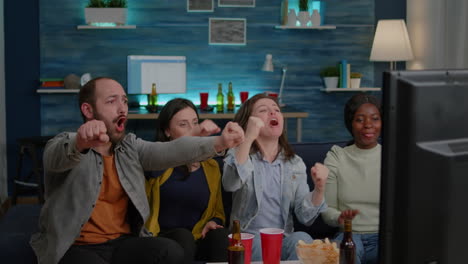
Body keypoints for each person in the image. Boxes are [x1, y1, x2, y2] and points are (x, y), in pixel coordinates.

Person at [30, 77, 244, 264]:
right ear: (88, 110)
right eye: (111, 101)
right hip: (76, 246)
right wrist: (81, 142)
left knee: (171, 252)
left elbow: (171, 150)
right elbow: (54, 157)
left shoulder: (129, 147)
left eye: (124, 100)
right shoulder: (66, 143)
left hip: (122, 243)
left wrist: (219, 142)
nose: (122, 108)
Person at [222, 93, 329, 261]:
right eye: (263, 110)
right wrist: (248, 137)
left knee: (303, 239)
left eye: (276, 110)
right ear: (249, 122)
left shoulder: (295, 163)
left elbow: (305, 216)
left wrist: (320, 188)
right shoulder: (239, 153)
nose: (273, 113)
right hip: (248, 238)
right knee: (257, 244)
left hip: (283, 238)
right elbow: (230, 184)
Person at [145, 98, 229, 263]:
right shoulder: (156, 160)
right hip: (162, 238)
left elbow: (218, 211)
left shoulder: (211, 166)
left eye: (195, 123)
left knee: (221, 236)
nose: (193, 129)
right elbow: (154, 169)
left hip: (199, 235)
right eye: (183, 125)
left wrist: (214, 222)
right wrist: (195, 137)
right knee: (183, 236)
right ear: (167, 131)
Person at [322, 93, 382, 264]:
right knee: (346, 251)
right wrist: (339, 217)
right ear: (351, 124)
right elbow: (327, 210)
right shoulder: (336, 156)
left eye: (375, 119)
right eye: (360, 119)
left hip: (385, 237)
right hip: (349, 234)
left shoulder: (392, 156)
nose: (368, 125)